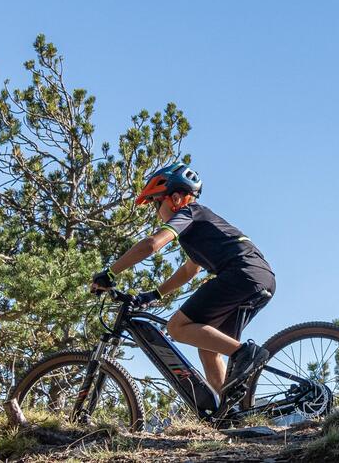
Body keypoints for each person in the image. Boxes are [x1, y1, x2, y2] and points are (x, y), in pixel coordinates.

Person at [92, 162, 276, 398]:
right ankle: (229, 413)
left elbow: (152, 244)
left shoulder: (188, 213)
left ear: (176, 198)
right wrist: (155, 294)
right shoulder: (200, 226)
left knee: (176, 327)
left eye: (157, 203)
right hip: (260, 277)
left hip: (241, 273)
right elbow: (190, 270)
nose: (157, 212)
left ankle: (245, 353)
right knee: (208, 349)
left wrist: (109, 273)